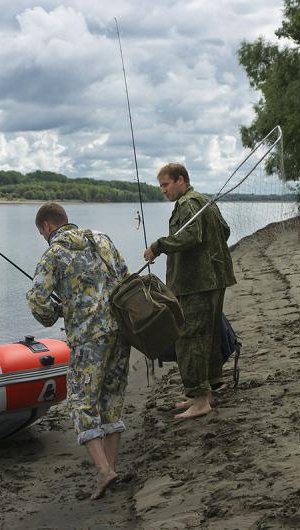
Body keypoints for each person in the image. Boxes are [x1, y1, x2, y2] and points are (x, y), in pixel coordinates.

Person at [26, 202, 131, 500]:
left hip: (87, 338)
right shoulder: (102, 238)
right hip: (121, 331)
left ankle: (104, 472)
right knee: (112, 398)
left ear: (47, 227)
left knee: (82, 403)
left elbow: (37, 301)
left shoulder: (53, 254)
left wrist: (55, 313)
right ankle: (111, 467)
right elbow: (124, 276)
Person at [143, 163, 236, 419]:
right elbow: (225, 232)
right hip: (215, 279)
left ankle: (199, 399)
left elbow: (191, 237)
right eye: (161, 186)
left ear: (181, 180)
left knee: (189, 338)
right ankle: (208, 391)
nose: (163, 190)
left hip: (196, 283)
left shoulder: (187, 204)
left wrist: (158, 246)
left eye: (166, 184)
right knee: (208, 334)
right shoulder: (205, 201)